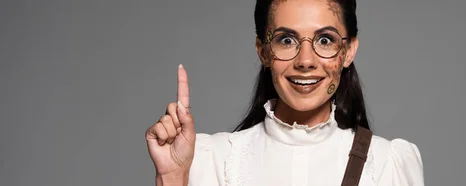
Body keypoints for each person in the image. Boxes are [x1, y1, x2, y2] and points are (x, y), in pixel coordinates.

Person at [145, 0, 424, 185]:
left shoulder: (387, 163)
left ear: (348, 50)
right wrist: (172, 178)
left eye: (325, 40)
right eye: (286, 40)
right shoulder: (211, 160)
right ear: (263, 50)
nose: (305, 60)